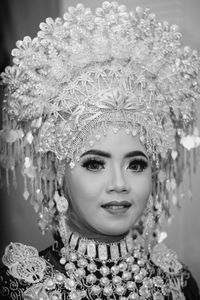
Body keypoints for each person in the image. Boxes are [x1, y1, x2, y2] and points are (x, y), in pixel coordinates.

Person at [0, 2, 200, 299]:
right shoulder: (21, 287)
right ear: (58, 173)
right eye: (94, 164)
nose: (119, 184)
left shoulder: (178, 284)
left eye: (136, 165)